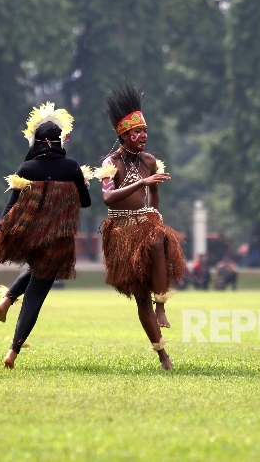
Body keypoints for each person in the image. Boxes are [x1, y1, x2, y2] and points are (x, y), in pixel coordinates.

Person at [0, 103, 92, 369]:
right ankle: (13, 351)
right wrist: (82, 183)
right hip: (57, 241)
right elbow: (86, 203)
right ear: (59, 142)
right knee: (35, 297)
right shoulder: (72, 168)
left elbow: (9, 208)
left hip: (30, 238)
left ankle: (8, 298)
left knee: (35, 268)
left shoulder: (27, 168)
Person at [95, 81, 185, 370]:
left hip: (146, 225)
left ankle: (162, 307)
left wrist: (154, 216)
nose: (143, 136)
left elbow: (155, 193)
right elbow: (108, 197)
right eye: (137, 132)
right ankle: (163, 356)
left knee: (158, 241)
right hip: (122, 233)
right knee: (139, 298)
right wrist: (141, 182)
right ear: (124, 134)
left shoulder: (149, 161)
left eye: (145, 131)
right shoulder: (111, 163)